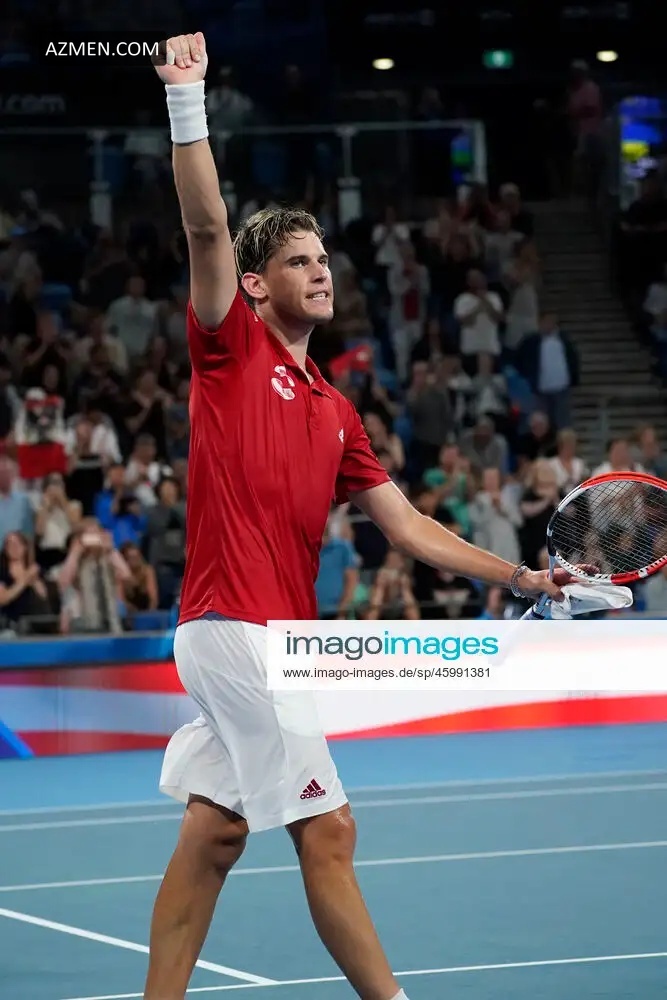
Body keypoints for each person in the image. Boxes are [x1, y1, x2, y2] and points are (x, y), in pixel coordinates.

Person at [145, 32, 573, 1000]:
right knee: (329, 828)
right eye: (297, 261)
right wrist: (186, 99)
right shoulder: (230, 352)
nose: (320, 271)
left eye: (323, 259)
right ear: (257, 286)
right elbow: (207, 230)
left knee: (214, 833)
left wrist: (522, 575)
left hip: (268, 638)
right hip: (235, 629)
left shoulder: (337, 412)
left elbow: (409, 528)